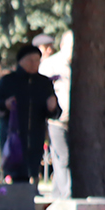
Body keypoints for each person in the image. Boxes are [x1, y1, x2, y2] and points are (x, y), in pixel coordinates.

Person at [0, 43, 60, 184]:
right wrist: (4, 104)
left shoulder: (44, 83)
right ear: (20, 61)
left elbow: (55, 113)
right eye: (30, 60)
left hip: (35, 140)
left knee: (32, 176)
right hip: (13, 140)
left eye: (37, 60)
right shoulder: (8, 81)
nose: (34, 64)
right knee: (15, 178)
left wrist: (52, 108)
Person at [38, 32, 73, 196]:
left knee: (66, 159)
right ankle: (66, 195)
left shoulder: (82, 65)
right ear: (62, 46)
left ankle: (58, 194)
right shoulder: (51, 65)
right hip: (57, 120)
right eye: (71, 46)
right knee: (62, 158)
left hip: (76, 120)